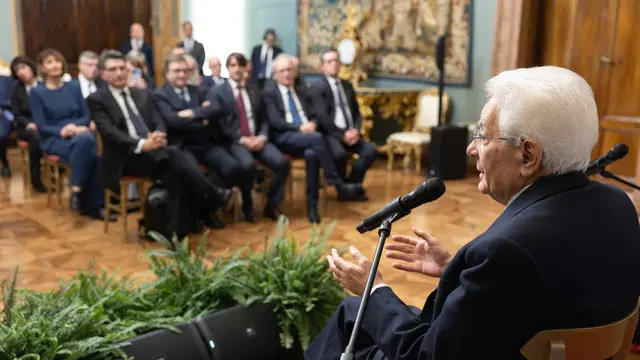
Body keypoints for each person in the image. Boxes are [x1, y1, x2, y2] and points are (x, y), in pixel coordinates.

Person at [306, 66, 640, 360]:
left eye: (481, 134)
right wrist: (458, 270)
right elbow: (545, 287)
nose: (470, 148)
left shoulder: (508, 252)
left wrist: (373, 289)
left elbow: (427, 356)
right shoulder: (618, 205)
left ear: (528, 156)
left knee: (357, 309)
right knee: (356, 314)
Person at [87, 50, 235, 236]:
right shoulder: (97, 99)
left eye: (122, 68)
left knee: (175, 174)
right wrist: (142, 144)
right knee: (174, 155)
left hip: (154, 153)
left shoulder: (142, 93)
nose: (119, 73)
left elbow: (159, 121)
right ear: (102, 73)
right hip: (124, 157)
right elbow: (110, 134)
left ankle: (175, 234)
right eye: (112, 69)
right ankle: (213, 194)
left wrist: (159, 136)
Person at [262, 53, 362, 223]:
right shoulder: (269, 92)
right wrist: (299, 127)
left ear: (294, 71)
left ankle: (312, 209)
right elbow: (275, 122)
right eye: (282, 71)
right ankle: (334, 180)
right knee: (316, 139)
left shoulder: (301, 89)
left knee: (312, 155)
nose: (286, 74)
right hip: (284, 137)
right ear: (275, 74)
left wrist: (313, 123)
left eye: (289, 70)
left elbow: (315, 114)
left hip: (307, 136)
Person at [30, 49, 113, 220]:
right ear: (42, 68)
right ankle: (93, 205)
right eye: (49, 62)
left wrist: (76, 128)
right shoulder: (37, 92)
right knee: (91, 153)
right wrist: (62, 131)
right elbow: (41, 125)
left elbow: (85, 115)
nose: (55, 65)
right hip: (54, 138)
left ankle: (77, 192)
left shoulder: (73, 87)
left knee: (85, 143)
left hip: (78, 134)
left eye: (58, 61)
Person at [208, 52, 290, 221]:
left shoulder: (254, 89)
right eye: (233, 65)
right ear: (228, 68)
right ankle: (247, 204)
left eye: (240, 65)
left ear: (246, 68)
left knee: (282, 163)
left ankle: (271, 204)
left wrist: (262, 136)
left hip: (258, 139)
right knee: (247, 166)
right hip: (236, 141)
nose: (237, 69)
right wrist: (241, 139)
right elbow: (220, 124)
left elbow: (265, 119)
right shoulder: (218, 92)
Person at [152, 53, 226, 228]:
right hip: (181, 147)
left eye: (185, 71)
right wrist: (200, 117)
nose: (182, 75)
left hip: (205, 144)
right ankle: (209, 208)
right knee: (193, 173)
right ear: (166, 73)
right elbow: (171, 122)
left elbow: (215, 110)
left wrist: (189, 114)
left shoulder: (198, 90)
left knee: (230, 166)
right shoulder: (159, 95)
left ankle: (212, 204)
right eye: (177, 71)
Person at [310, 49, 376, 200]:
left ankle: (350, 185)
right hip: (331, 133)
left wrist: (356, 130)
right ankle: (346, 189)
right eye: (329, 61)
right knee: (339, 155)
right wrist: (342, 135)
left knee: (370, 151)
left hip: (351, 132)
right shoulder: (317, 87)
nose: (334, 64)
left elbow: (357, 113)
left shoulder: (347, 85)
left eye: (336, 61)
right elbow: (322, 117)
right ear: (322, 66)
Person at [9, 56, 46, 192]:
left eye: (23, 68)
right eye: (17, 70)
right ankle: (35, 178)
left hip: (45, 124)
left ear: (31, 67)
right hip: (25, 127)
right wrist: (30, 123)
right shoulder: (16, 89)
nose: (21, 72)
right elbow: (17, 114)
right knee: (36, 136)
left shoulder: (44, 85)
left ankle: (58, 170)